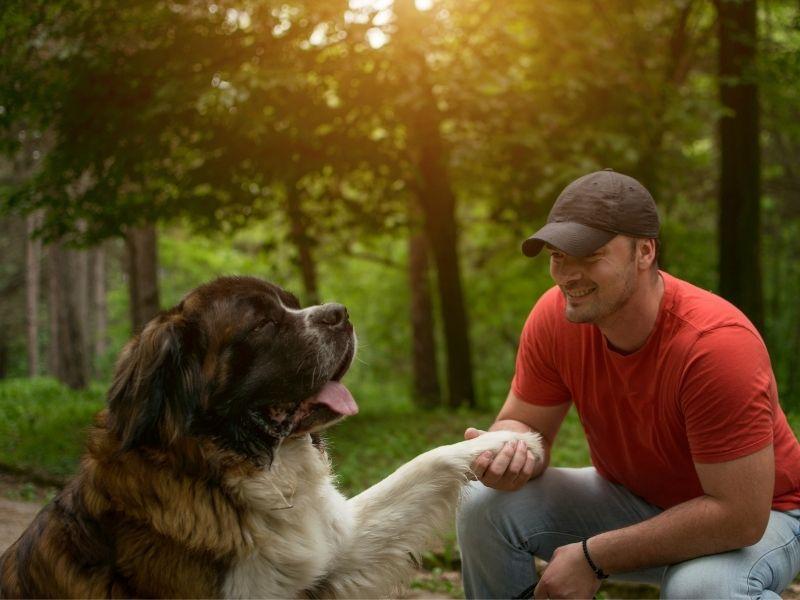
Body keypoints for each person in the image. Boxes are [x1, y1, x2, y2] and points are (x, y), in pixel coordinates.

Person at [457, 169, 800, 599]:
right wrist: (508, 450)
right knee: (483, 505)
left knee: (700, 589)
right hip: (635, 497)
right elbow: (524, 423)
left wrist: (593, 556)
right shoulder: (556, 317)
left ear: (644, 251)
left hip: (766, 515)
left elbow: (739, 517)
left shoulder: (714, 346)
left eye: (590, 255)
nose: (567, 275)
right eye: (559, 256)